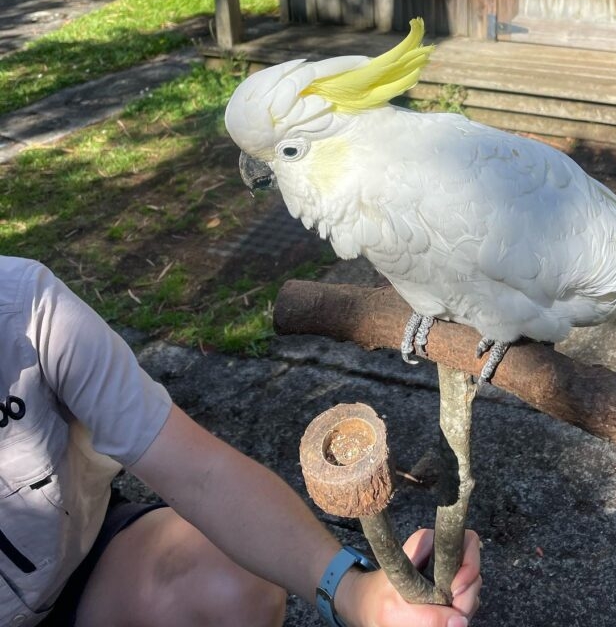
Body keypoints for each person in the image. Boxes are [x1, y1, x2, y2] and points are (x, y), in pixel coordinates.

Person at [0, 255, 481, 627]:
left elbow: (202, 476)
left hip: (78, 570)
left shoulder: (29, 308)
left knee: (228, 583)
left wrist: (354, 593)